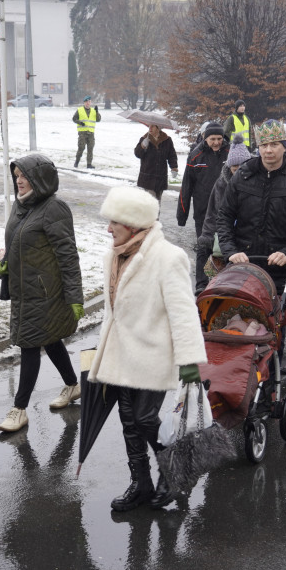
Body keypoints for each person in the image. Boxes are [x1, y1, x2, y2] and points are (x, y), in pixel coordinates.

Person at [88, 187, 207, 511]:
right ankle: (140, 484)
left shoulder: (168, 258)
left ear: (134, 224)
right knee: (128, 420)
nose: (108, 228)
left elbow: (183, 313)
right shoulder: (112, 256)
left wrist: (190, 361)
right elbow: (114, 312)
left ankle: (174, 472)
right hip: (122, 354)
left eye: (115, 222)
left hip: (155, 354)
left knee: (143, 418)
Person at [0, 153, 85, 432]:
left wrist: (75, 297)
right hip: (24, 290)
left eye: (24, 176)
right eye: (17, 176)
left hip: (47, 293)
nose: (19, 181)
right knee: (50, 339)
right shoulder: (20, 206)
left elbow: (68, 256)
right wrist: (4, 264)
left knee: (30, 344)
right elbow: (16, 244)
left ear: (39, 180)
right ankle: (72, 386)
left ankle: (19, 410)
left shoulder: (54, 208)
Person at [217, 119, 286, 290]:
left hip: (281, 269)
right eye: (264, 145)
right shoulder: (243, 175)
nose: (268, 150)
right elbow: (224, 216)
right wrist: (230, 251)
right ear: (258, 147)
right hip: (243, 264)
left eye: (274, 144)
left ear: (285, 146)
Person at [193, 134, 252, 293]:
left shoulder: (256, 183)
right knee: (222, 273)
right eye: (234, 169)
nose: (238, 172)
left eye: (242, 168)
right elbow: (212, 211)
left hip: (249, 236)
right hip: (226, 235)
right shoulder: (222, 184)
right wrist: (207, 235)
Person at [178, 121, 228, 236]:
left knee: (223, 250)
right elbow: (186, 186)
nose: (216, 143)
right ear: (205, 138)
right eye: (213, 139)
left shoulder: (230, 153)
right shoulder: (196, 156)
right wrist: (182, 215)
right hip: (202, 211)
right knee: (204, 249)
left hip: (225, 211)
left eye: (219, 139)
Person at [134, 124, 179, 201]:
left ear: (158, 128)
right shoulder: (144, 138)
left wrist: (174, 167)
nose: (150, 128)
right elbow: (137, 154)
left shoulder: (167, 140)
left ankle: (155, 213)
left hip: (160, 177)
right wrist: (142, 146)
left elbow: (172, 155)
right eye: (149, 126)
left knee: (157, 202)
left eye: (153, 126)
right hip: (147, 177)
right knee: (151, 201)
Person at [73, 96, 100, 169]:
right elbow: (74, 118)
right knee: (81, 147)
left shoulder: (93, 111)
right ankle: (77, 162)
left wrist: (97, 112)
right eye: (86, 102)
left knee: (90, 148)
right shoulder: (80, 110)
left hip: (91, 133)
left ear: (90, 102)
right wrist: (80, 122)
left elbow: (98, 119)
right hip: (82, 133)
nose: (88, 103)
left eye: (89, 102)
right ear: (84, 103)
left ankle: (89, 164)